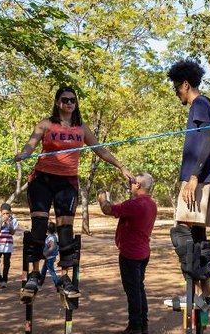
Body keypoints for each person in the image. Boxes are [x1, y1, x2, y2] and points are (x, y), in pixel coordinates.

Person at [14, 85, 133, 298]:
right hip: (42, 179)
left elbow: (100, 149)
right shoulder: (46, 124)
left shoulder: (82, 128)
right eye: (65, 100)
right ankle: (34, 276)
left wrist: (121, 166)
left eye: (72, 100)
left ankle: (65, 277)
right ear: (57, 102)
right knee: (39, 226)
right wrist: (23, 154)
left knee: (65, 230)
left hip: (67, 182)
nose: (69, 103)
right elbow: (31, 144)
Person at [167, 59, 210, 310]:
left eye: (177, 87)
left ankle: (193, 292)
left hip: (197, 180)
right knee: (198, 234)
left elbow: (209, 142)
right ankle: (206, 294)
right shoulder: (207, 105)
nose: (176, 92)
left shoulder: (199, 104)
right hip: (205, 178)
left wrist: (194, 178)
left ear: (186, 84)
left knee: (182, 231)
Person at [98, 172, 158, 334]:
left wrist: (102, 197)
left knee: (133, 291)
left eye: (133, 182)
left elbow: (107, 209)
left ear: (138, 185)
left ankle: (134, 327)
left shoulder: (136, 204)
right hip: (143, 251)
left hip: (131, 254)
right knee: (139, 288)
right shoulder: (151, 204)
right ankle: (143, 324)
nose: (130, 184)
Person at [0, 203, 19, 287]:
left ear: (10, 213)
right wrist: (1, 222)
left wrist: (8, 223)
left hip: (8, 246)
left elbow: (12, 232)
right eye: (3, 213)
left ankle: (4, 280)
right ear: (0, 213)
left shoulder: (14, 220)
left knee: (6, 263)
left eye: (7, 213)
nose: (5, 215)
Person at [40, 222, 59, 289]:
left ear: (47, 230)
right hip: (49, 258)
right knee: (43, 271)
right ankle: (40, 284)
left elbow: (52, 247)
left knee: (51, 271)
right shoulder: (53, 237)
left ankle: (58, 284)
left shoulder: (51, 238)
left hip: (49, 257)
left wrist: (45, 254)